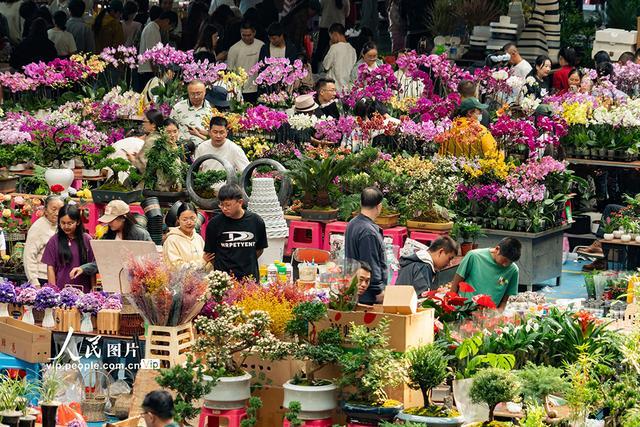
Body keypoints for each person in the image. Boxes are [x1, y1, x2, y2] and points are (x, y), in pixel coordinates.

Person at [69, 200, 153, 278]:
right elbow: (101, 262)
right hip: (113, 282)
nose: (108, 223)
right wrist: (83, 268)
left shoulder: (141, 235)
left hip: (136, 283)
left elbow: (151, 260)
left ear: (123, 218)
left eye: (111, 220)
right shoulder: (107, 236)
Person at [203, 184, 268, 280]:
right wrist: (223, 270)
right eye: (221, 204)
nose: (224, 208)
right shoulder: (214, 224)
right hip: (224, 281)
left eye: (228, 205)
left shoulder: (256, 221)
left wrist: (245, 263)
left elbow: (259, 249)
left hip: (249, 279)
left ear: (240, 202)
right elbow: (210, 254)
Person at [451, 237, 521, 311]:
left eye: (510, 262)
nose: (505, 265)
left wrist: (498, 313)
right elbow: (456, 283)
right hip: (464, 310)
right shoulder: (474, 256)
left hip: (488, 316)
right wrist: (450, 307)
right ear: (497, 249)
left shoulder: (513, 270)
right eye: (504, 260)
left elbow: (504, 300)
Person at [345, 187, 387, 305]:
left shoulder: (352, 223)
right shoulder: (368, 232)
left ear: (361, 203)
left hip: (357, 289)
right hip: (367, 295)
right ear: (379, 206)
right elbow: (370, 262)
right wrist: (378, 290)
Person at [41, 204, 95, 292]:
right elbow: (50, 267)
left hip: (84, 292)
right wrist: (53, 291)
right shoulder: (54, 240)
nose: (66, 226)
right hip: (61, 291)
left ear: (77, 222)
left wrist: (93, 291)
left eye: (70, 223)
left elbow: (92, 267)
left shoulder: (87, 239)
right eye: (63, 223)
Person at [23, 196, 65, 286]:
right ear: (45, 210)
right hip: (42, 278)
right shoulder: (38, 227)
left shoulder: (62, 225)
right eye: (53, 209)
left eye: (60, 209)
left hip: (57, 277)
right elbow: (29, 256)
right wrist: (34, 282)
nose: (57, 213)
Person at [226, 20, 264, 104]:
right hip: (241, 90)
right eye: (244, 35)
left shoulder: (261, 45)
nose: (246, 38)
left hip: (257, 88)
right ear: (240, 33)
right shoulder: (234, 49)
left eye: (249, 35)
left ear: (254, 33)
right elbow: (230, 71)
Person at [137, 11, 176, 89]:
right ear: (167, 21)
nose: (168, 29)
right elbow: (153, 56)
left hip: (149, 70)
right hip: (148, 70)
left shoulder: (153, 28)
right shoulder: (152, 29)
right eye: (171, 27)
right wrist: (158, 75)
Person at [169, 80, 212, 147]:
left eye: (198, 93)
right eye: (192, 94)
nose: (196, 97)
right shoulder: (178, 108)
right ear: (188, 93)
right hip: (184, 149)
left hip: (207, 148)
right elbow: (170, 128)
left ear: (204, 92)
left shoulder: (212, 108)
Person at [312, 0, 349, 71]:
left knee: (320, 50)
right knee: (339, 49)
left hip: (325, 25)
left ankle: (315, 69)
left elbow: (319, 8)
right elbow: (347, 14)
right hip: (339, 27)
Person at [322, 23, 356, 91]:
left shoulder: (334, 48)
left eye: (331, 37)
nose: (331, 40)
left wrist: (330, 46)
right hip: (347, 87)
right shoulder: (353, 50)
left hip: (334, 86)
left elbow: (326, 66)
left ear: (335, 34)